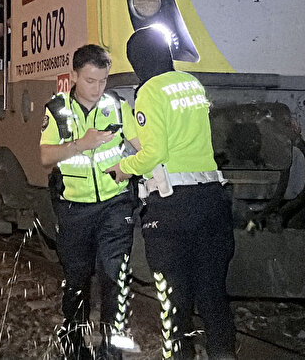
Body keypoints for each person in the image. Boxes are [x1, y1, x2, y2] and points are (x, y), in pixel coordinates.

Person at [106, 27, 236, 360]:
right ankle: (223, 354)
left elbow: (152, 154)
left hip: (171, 208)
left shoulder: (149, 92)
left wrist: (123, 169)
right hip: (211, 200)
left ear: (137, 61)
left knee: (174, 299)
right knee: (212, 293)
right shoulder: (192, 84)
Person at [41, 44, 139, 360]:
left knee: (114, 275)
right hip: (74, 209)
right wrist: (81, 144)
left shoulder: (116, 105)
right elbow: (45, 156)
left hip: (115, 203)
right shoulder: (56, 109)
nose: (97, 89)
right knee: (77, 281)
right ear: (74, 76)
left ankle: (112, 351)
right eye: (90, 81)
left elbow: (141, 146)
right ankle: (76, 347)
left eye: (102, 80)